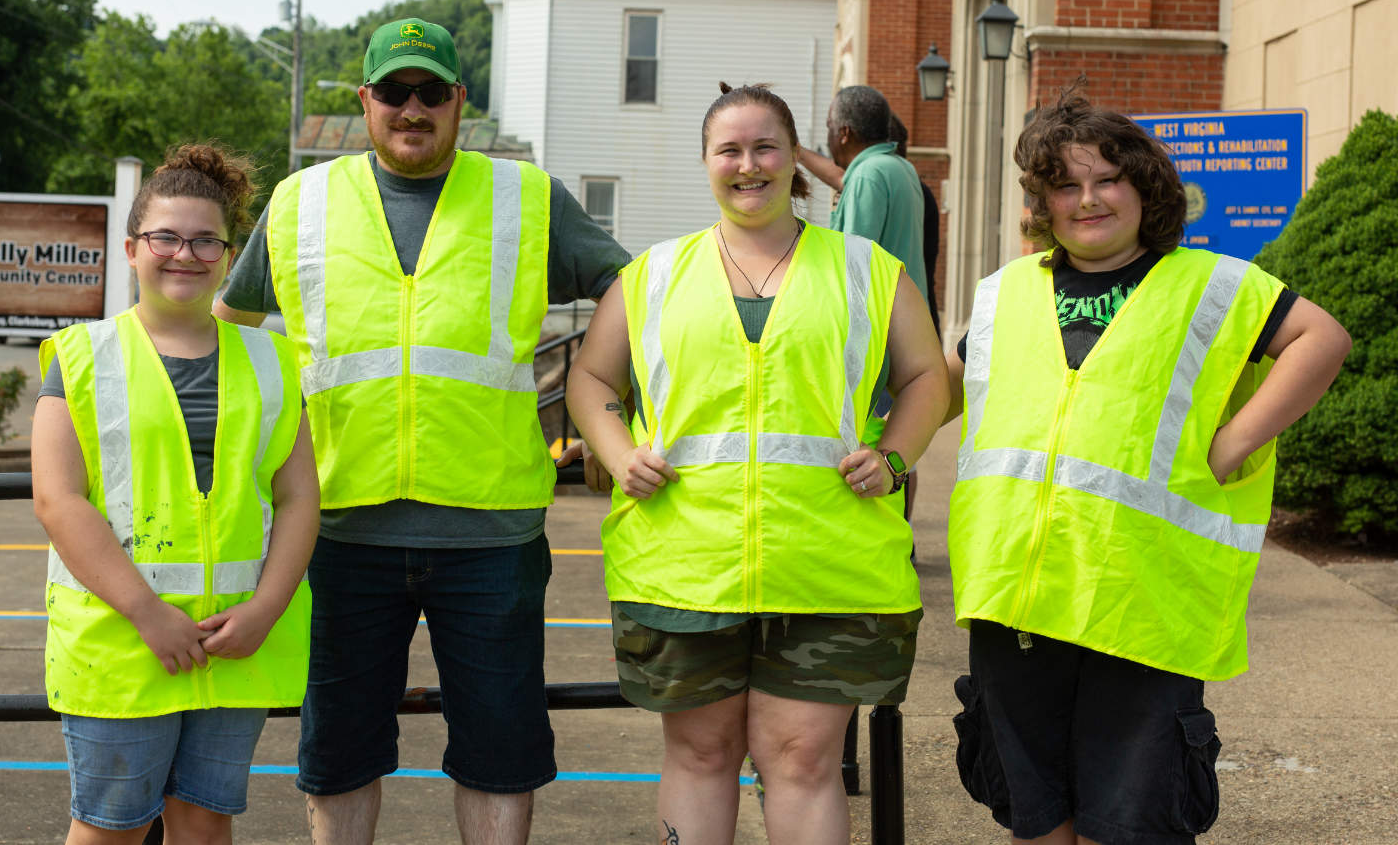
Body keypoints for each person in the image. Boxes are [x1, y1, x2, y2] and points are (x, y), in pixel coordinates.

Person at [214, 17, 628, 844]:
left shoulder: (526, 196)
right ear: (364, 99)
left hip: (491, 530)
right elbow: (225, 329)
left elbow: (634, 289)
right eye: (395, 91)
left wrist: (599, 393)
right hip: (337, 524)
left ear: (459, 102)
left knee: (500, 750)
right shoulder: (302, 203)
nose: (413, 107)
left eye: (431, 91)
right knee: (338, 749)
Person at [944, 84, 1351, 845]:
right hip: (1015, 600)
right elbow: (938, 384)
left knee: (1129, 827)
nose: (1088, 199)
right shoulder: (1004, 294)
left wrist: (1236, 439)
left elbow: (1321, 339)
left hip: (1142, 605)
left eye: (1107, 179)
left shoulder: (1212, 284)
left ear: (1145, 187)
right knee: (1036, 822)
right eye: (1065, 184)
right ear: (1042, 201)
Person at [566, 83, 949, 845]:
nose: (749, 165)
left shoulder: (865, 270)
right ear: (706, 163)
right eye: (730, 150)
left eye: (766, 146)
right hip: (683, 566)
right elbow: (591, 378)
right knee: (701, 752)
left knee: (801, 759)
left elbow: (929, 375)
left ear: (796, 157)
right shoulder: (654, 274)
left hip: (828, 564)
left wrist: (896, 456)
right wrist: (616, 451)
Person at [32, 144, 319, 844]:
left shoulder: (272, 359)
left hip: (233, 640)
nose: (183, 253)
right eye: (165, 236)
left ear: (228, 254)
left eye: (204, 240)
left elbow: (299, 496)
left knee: (202, 822)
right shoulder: (81, 355)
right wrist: (146, 612)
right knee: (110, 828)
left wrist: (266, 609)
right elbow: (58, 501)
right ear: (132, 248)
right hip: (122, 639)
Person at [798, 108, 941, 331]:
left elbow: (853, 264)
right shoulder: (904, 174)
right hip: (912, 318)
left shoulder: (870, 175)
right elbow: (841, 178)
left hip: (883, 323)